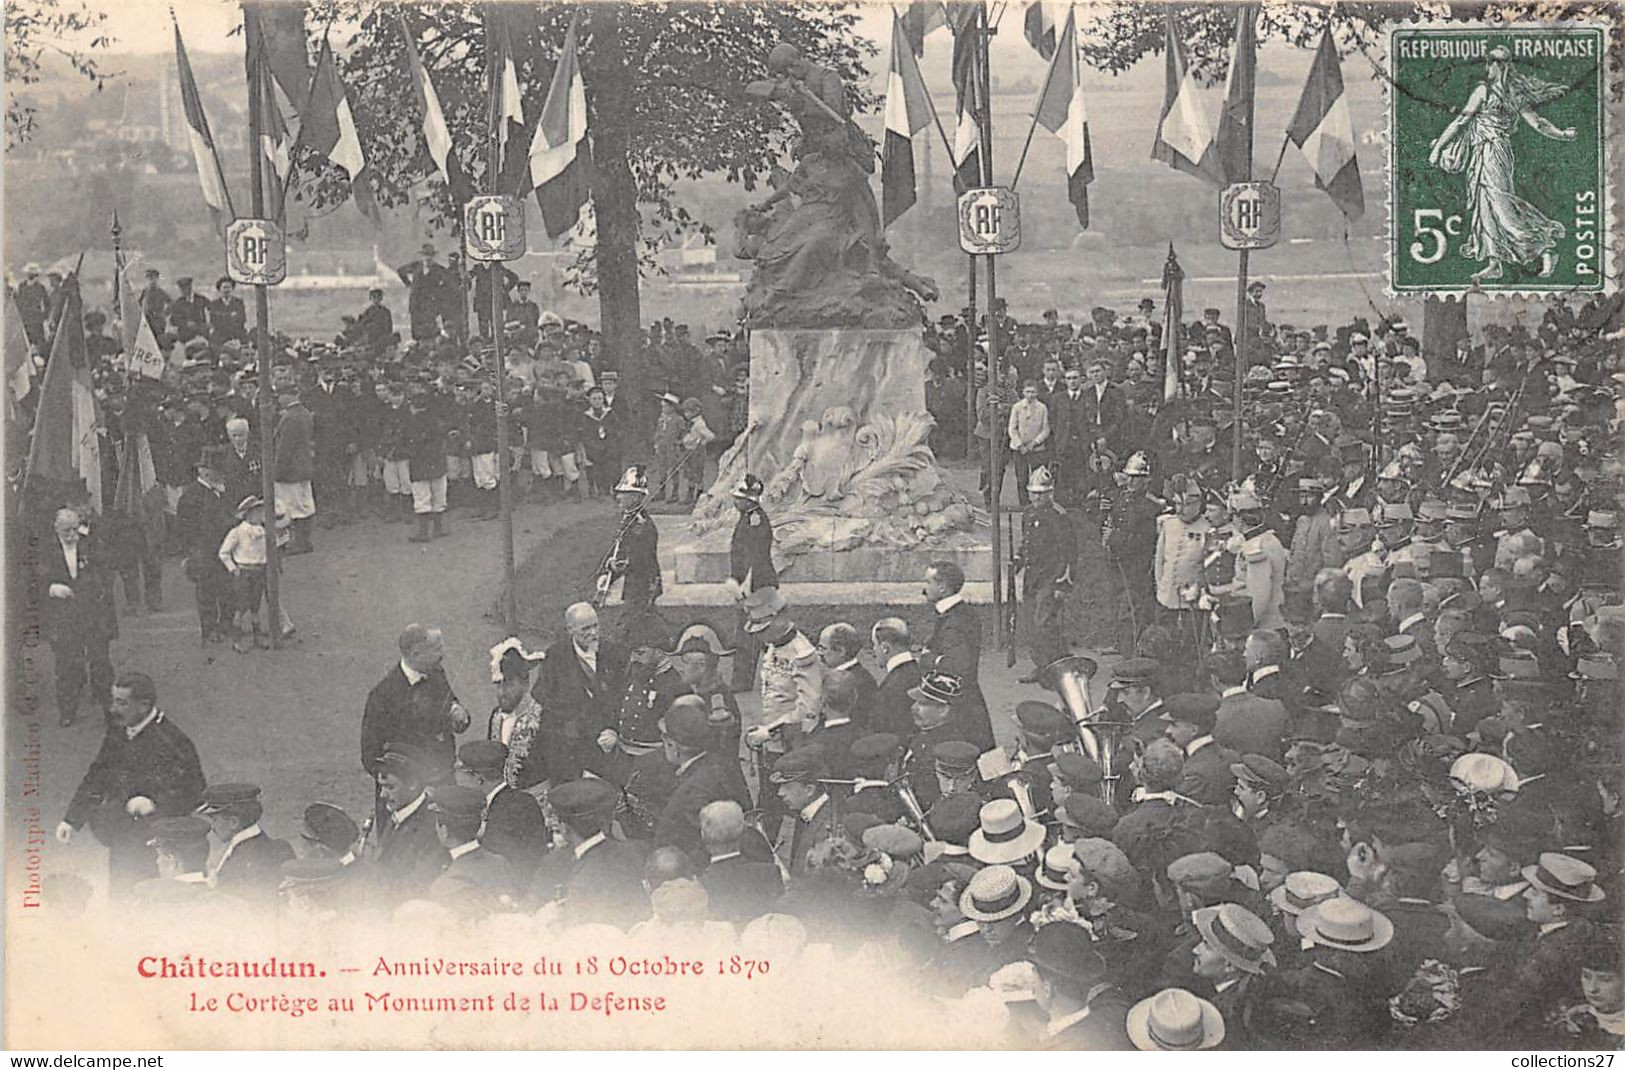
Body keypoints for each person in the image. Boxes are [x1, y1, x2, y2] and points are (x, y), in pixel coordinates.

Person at [1427, 46, 1576, 282]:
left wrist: (1562, 135)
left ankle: (1546, 250)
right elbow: (1461, 121)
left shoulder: (1498, 92)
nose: (1487, 67)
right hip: (1481, 152)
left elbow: (1537, 123)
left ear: (1500, 65)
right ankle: (1495, 262)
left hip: (1495, 152)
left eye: (1490, 63)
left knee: (1501, 206)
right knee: (1483, 206)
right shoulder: (1493, 91)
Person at [56, 672, 206, 895]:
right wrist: (71, 819)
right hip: (122, 838)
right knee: (121, 896)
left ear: (144, 705)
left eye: (122, 703)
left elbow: (196, 792)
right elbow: (99, 774)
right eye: (113, 700)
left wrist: (155, 803)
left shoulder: (173, 741)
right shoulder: (119, 729)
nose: (113, 709)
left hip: (158, 846)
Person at [359, 623, 470, 821]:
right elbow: (370, 756)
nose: (443, 653)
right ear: (416, 654)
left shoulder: (436, 673)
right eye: (437, 649)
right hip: (405, 798)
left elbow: (450, 704)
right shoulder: (382, 696)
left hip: (442, 783)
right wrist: (406, 781)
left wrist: (458, 712)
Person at [530, 603, 628, 786]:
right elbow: (542, 695)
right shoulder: (556, 656)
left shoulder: (614, 652)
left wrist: (614, 730)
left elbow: (623, 696)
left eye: (596, 626)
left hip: (606, 742)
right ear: (570, 630)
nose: (593, 633)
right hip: (571, 745)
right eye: (585, 629)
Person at [35, 506, 115, 727]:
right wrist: (51, 588)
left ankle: (108, 707)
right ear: (56, 530)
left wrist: (97, 589)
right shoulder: (45, 550)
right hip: (64, 617)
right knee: (67, 665)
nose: (72, 536)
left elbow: (105, 572)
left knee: (100, 661)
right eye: (66, 532)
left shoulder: (90, 545)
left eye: (74, 530)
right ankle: (68, 711)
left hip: (92, 612)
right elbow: (34, 581)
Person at [921, 561, 995, 749]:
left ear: (943, 587)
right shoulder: (965, 613)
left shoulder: (953, 622)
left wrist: (929, 659)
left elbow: (959, 665)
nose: (924, 588)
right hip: (971, 699)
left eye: (928, 582)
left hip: (957, 705)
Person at [1016, 466, 1077, 678]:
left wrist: (1063, 583)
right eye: (1033, 493)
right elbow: (1027, 542)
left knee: (1044, 622)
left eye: (1041, 493)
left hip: (1051, 576)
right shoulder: (1028, 513)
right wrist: (1018, 559)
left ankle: (1054, 663)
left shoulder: (1058, 515)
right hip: (1032, 576)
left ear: (1050, 493)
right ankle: (1044, 664)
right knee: (1031, 623)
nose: (1036, 497)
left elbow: (1069, 552)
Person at [195, 783, 294, 903]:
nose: (212, 827)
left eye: (215, 820)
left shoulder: (239, 865)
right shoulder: (280, 846)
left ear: (233, 823)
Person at [175, 447, 235, 644]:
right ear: (205, 472)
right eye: (219, 472)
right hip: (203, 552)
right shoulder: (191, 496)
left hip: (224, 550)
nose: (222, 476)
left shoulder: (220, 492)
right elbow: (186, 529)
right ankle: (209, 630)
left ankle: (226, 625)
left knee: (227, 590)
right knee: (207, 593)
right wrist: (189, 554)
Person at [272, 382, 316, 555]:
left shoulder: (290, 417)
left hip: (291, 470)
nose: (279, 399)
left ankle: (300, 542)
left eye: (280, 396)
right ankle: (303, 541)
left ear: (288, 396)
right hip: (303, 466)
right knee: (304, 504)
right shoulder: (304, 413)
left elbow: (285, 448)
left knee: (293, 507)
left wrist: (277, 471)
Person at [396, 244, 448, 341]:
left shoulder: (438, 269)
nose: (428, 257)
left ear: (433, 256)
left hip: (430, 304)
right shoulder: (416, 266)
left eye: (430, 255)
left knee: (430, 329)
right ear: (422, 256)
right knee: (416, 329)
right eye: (425, 255)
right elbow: (400, 271)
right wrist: (409, 284)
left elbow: (447, 283)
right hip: (415, 303)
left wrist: (438, 294)